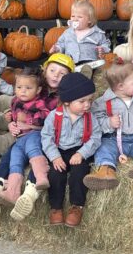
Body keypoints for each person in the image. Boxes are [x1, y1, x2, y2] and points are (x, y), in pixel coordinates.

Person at [0, 54, 73, 216]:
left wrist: (27, 122)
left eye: (62, 73)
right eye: (52, 70)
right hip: (24, 134)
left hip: (48, 138)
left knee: (37, 152)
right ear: (45, 71)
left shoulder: (64, 97)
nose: (56, 75)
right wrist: (11, 122)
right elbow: (20, 106)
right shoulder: (33, 86)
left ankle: (30, 193)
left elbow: (53, 119)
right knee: (10, 155)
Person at [84, 62, 133, 190]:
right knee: (102, 146)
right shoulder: (103, 102)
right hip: (113, 138)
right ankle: (106, 170)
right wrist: (108, 122)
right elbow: (95, 121)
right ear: (120, 86)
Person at [40, 73, 102, 227]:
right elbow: (46, 137)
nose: (87, 105)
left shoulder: (90, 117)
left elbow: (96, 137)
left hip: (79, 151)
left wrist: (82, 153)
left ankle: (77, 207)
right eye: (82, 101)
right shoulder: (54, 116)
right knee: (55, 174)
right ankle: (56, 208)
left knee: (80, 172)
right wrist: (54, 157)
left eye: (90, 100)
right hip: (59, 151)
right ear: (67, 101)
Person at [49, 0, 111, 78]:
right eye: (73, 16)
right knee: (66, 72)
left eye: (79, 17)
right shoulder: (67, 33)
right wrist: (57, 49)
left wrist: (103, 49)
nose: (75, 19)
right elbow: (61, 44)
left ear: (89, 20)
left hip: (90, 63)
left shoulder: (96, 33)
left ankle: (87, 76)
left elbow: (105, 44)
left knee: (94, 69)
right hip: (71, 64)